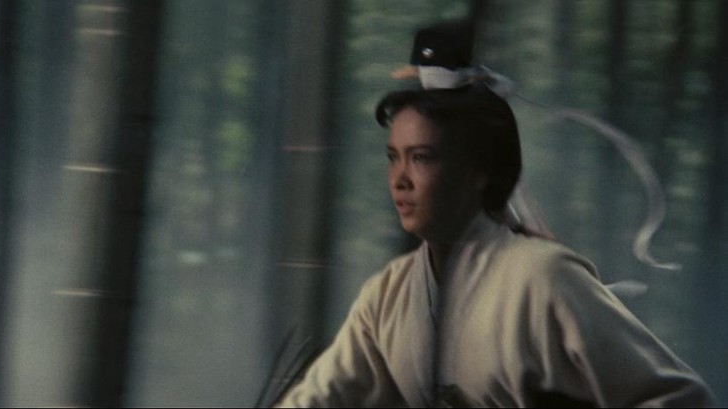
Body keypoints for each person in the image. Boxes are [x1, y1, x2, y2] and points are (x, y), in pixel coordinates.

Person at [272, 83, 715, 406]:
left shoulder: (542, 279)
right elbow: (317, 399)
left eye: (422, 158)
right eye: (393, 158)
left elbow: (679, 399)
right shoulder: (386, 296)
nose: (400, 179)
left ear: (477, 171)